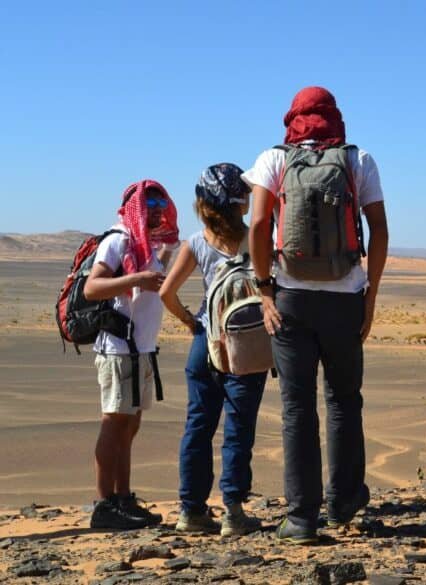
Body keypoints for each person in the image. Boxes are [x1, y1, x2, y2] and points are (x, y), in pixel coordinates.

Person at [246, 86, 389, 544]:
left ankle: (302, 518)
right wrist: (370, 295)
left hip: (290, 299)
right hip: (344, 296)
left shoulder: (274, 159)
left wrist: (265, 291)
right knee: (344, 400)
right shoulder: (358, 159)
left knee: (297, 408)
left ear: (292, 117)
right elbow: (380, 229)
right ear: (335, 117)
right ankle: (344, 500)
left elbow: (257, 226)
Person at [159, 164, 268, 536]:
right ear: (240, 203)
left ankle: (191, 511)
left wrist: (193, 323)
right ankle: (233, 513)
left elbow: (165, 294)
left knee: (198, 426)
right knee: (238, 429)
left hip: (204, 345)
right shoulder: (256, 240)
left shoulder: (196, 243)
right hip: (245, 345)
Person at [83, 180, 178, 529]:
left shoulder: (141, 243)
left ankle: (123, 499)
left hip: (140, 350)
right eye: (148, 201)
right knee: (115, 421)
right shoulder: (118, 240)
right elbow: (93, 288)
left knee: (130, 424)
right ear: (133, 205)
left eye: (160, 200)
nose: (156, 207)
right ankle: (104, 505)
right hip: (119, 350)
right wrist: (138, 277)